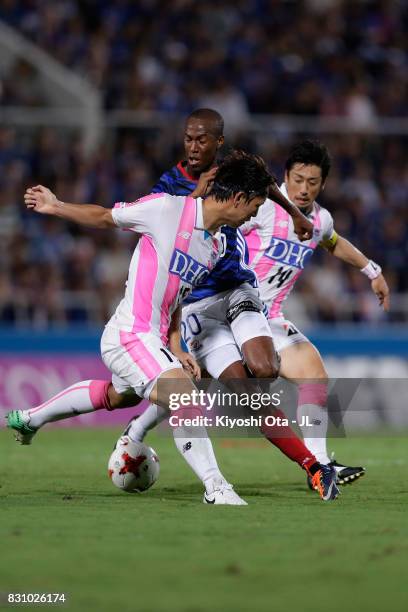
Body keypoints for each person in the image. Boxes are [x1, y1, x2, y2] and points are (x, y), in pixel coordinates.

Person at [7, 150, 275, 505]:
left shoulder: (217, 245)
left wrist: (177, 346)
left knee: (118, 396)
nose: (253, 215)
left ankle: (29, 418)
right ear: (238, 198)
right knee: (185, 396)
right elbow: (105, 216)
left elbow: (177, 296)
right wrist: (57, 206)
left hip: (156, 340)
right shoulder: (167, 209)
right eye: (254, 206)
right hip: (130, 334)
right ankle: (216, 487)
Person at [241, 140, 390, 488]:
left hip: (271, 318)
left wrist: (373, 271)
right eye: (297, 179)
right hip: (231, 314)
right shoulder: (261, 206)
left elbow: (333, 241)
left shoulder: (320, 219)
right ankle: (135, 433)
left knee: (314, 375)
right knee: (179, 386)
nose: (303, 188)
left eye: (312, 181)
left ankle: (320, 466)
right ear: (285, 176)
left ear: (323, 183)